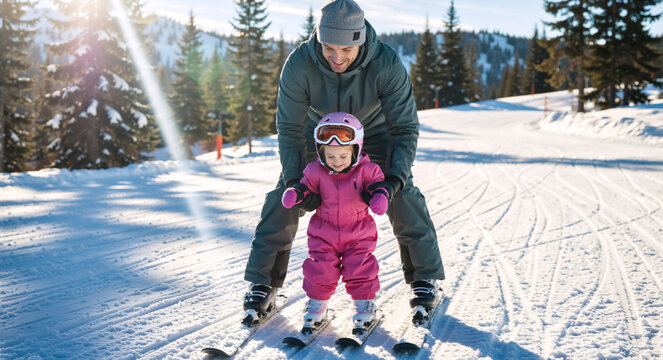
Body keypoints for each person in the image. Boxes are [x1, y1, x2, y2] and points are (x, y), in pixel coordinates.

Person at [242, 0, 445, 325]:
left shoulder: (386, 63)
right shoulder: (299, 65)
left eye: (346, 49)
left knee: (403, 194)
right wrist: (296, 179)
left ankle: (426, 279)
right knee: (285, 196)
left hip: (374, 135)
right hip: (319, 135)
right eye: (328, 48)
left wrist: (394, 179)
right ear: (319, 40)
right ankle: (263, 285)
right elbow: (290, 128)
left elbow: (404, 127)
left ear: (360, 40)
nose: (337, 57)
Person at [281, 112, 388, 330]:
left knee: (360, 268)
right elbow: (305, 187)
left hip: (358, 232)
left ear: (355, 151)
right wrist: (295, 193)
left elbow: (378, 185)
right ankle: (316, 308)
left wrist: (380, 196)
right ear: (321, 151)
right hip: (324, 231)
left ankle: (364, 307)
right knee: (320, 269)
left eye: (342, 156)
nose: (336, 162)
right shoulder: (315, 171)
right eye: (330, 156)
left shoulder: (367, 170)